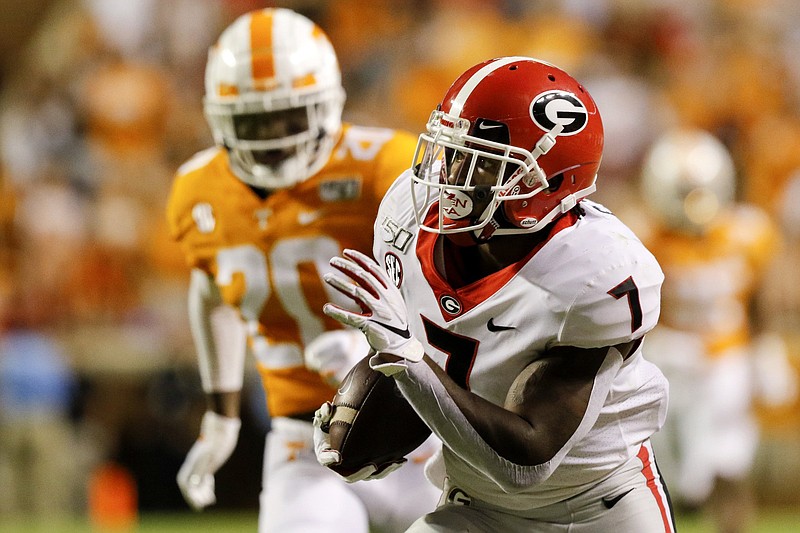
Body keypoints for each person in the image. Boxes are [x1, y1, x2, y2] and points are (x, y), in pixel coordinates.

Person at [314, 56, 676, 532]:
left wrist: (405, 359)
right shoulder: (407, 215)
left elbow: (526, 463)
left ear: (542, 182)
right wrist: (371, 393)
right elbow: (421, 351)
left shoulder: (595, 275)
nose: (451, 175)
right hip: (475, 505)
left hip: (599, 509)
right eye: (453, 150)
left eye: (481, 162)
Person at [166, 8, 440, 532]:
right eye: (255, 121)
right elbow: (210, 292)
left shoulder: (383, 167)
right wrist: (220, 414)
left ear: (328, 103)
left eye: (288, 117)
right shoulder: (197, 191)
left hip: (418, 426)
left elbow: (452, 291)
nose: (272, 137)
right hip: (303, 441)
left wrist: (378, 349)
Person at [638, 128, 797, 533]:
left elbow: (767, 297)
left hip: (727, 363)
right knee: (666, 473)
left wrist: (766, 348)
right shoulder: (646, 239)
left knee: (729, 465)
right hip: (669, 364)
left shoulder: (747, 233)